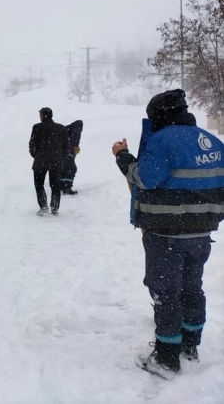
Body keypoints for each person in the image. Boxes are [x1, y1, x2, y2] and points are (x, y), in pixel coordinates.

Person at [111, 89, 224, 378]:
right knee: (191, 289)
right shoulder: (211, 141)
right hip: (201, 234)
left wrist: (123, 157)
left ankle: (167, 356)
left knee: (166, 293)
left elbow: (145, 178)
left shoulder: (162, 140)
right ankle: (190, 344)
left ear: (159, 115)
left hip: (166, 234)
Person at [29, 107, 70, 216]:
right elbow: (67, 146)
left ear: (43, 116)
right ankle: (54, 207)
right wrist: (61, 158)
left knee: (39, 184)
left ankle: (43, 206)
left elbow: (32, 145)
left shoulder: (37, 128)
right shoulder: (61, 128)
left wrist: (37, 156)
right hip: (56, 161)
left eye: (40, 114)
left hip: (40, 161)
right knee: (55, 185)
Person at [60, 120, 83, 195]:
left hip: (64, 152)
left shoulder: (68, 129)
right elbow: (74, 142)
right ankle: (66, 187)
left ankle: (61, 185)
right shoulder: (76, 130)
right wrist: (72, 150)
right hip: (68, 153)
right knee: (72, 168)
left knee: (64, 168)